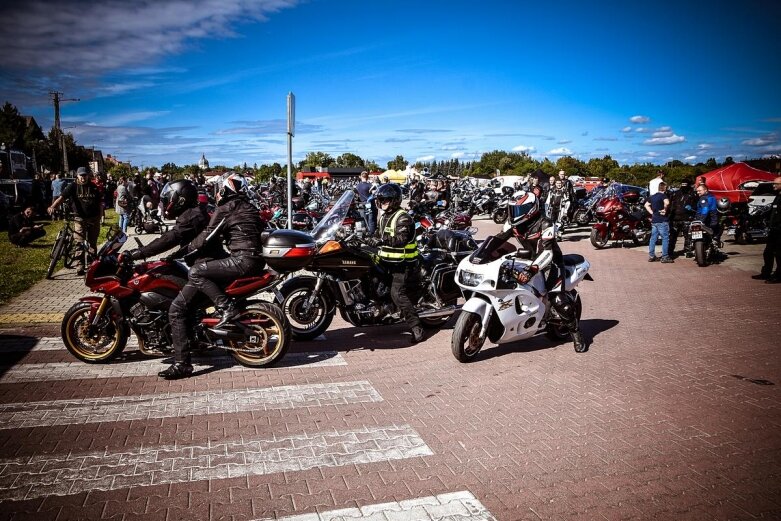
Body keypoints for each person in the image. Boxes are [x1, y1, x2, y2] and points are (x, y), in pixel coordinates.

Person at [158, 174, 265, 379]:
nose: (217, 193)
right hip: (257, 262)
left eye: (219, 189)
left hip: (241, 261)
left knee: (195, 273)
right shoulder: (251, 208)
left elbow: (206, 237)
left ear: (225, 190)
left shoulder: (225, 209)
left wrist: (181, 253)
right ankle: (198, 340)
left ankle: (226, 310)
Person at [496, 192, 587, 352]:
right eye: (512, 210)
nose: (514, 214)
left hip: (551, 263)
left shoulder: (545, 224)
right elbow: (497, 240)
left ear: (531, 209)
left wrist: (531, 271)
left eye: (518, 210)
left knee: (558, 300)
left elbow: (547, 253)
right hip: (528, 260)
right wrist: (480, 254)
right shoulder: (513, 224)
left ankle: (576, 333)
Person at [368, 183, 424, 344]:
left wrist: (380, 240)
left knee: (397, 294)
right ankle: (381, 312)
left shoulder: (403, 217)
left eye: (386, 199)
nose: (383, 202)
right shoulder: (384, 217)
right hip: (387, 262)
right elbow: (377, 234)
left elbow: (401, 239)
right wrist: (363, 237)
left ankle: (416, 327)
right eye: (381, 199)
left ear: (394, 200)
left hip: (404, 264)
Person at [47, 167, 102, 275]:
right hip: (79, 218)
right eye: (81, 175)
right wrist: (53, 206)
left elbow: (100, 203)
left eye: (85, 175)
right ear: (77, 175)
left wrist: (100, 216)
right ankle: (80, 266)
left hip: (94, 218)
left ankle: (92, 266)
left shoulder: (94, 187)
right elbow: (62, 197)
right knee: (79, 242)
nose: (83, 177)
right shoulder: (72, 186)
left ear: (88, 175)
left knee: (92, 243)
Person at [752, 176, 781, 283]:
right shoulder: (777, 196)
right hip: (773, 229)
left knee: (779, 254)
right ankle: (766, 273)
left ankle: (778, 276)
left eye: (776, 184)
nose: (773, 185)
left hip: (779, 230)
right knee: (768, 252)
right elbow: (773, 211)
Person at [667, 180, 698, 257]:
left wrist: (692, 209)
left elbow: (697, 205)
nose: (684, 186)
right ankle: (670, 252)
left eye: (685, 184)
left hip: (687, 218)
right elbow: (671, 205)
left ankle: (688, 251)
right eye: (682, 184)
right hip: (675, 218)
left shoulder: (693, 194)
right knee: (672, 236)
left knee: (688, 236)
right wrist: (669, 216)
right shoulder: (675, 193)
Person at [644, 181, 672, 263]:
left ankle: (652, 255)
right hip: (662, 220)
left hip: (654, 220)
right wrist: (665, 209)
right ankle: (665, 256)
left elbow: (646, 205)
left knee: (653, 238)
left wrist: (652, 212)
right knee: (665, 238)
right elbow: (667, 202)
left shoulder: (653, 196)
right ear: (665, 188)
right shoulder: (663, 195)